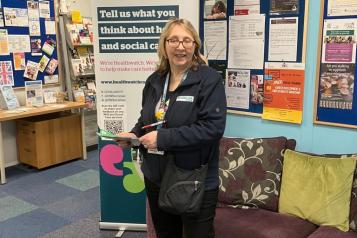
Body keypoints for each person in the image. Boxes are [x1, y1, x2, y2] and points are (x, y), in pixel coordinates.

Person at [117, 18, 227, 238]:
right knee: (166, 234)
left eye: (187, 41)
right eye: (174, 40)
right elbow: (147, 119)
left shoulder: (209, 80)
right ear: (164, 45)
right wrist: (134, 133)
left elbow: (212, 128)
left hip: (194, 178)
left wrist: (163, 139)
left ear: (195, 46)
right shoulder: (154, 80)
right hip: (156, 176)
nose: (180, 46)